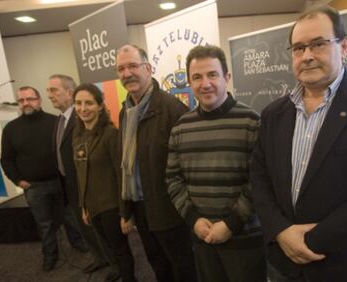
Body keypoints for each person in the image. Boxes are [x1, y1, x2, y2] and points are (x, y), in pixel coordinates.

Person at [250, 5, 347, 282]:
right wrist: (281, 232)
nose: (308, 56)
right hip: (282, 261)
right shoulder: (273, 114)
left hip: (342, 263)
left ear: (344, 46)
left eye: (318, 44)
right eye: (299, 48)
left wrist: (310, 241)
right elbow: (259, 177)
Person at [166, 45, 267, 282]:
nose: (205, 83)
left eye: (212, 74)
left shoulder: (251, 121)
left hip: (245, 240)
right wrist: (193, 220)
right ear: (189, 83)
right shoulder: (181, 127)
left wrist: (231, 224)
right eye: (197, 77)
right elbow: (172, 178)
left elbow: (260, 180)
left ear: (227, 78)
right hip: (203, 237)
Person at [116, 44, 197, 282]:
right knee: (156, 262)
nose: (127, 73)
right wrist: (126, 210)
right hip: (141, 208)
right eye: (121, 68)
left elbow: (187, 167)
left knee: (183, 267)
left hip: (170, 209)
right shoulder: (126, 112)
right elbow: (126, 164)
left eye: (132, 65)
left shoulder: (173, 109)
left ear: (148, 68)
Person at [0, 86, 85, 271]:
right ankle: (50, 255)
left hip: (61, 181)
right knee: (44, 224)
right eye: (21, 100)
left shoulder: (57, 122)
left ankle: (78, 243)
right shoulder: (11, 129)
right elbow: (6, 159)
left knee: (70, 217)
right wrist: (18, 181)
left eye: (30, 99)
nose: (25, 103)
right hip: (34, 187)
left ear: (39, 100)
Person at [47, 74, 116, 277]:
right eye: (48, 90)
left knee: (100, 230)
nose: (49, 95)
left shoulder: (82, 122)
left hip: (88, 186)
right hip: (69, 184)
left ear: (69, 92)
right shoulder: (60, 120)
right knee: (86, 228)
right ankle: (100, 258)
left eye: (53, 90)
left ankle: (113, 263)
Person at [72, 83, 137, 282]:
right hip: (93, 206)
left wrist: (126, 213)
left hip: (111, 206)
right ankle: (118, 271)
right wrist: (84, 206)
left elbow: (122, 175)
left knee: (120, 249)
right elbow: (81, 175)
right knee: (108, 248)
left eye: (89, 103)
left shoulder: (111, 135)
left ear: (100, 106)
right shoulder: (78, 136)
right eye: (78, 103)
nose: (83, 108)